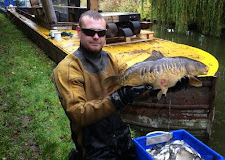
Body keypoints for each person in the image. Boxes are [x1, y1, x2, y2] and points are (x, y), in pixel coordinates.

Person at [51, 10, 151, 159]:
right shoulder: (68, 68)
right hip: (92, 143)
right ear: (79, 32)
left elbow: (136, 87)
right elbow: (78, 114)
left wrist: (155, 89)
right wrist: (118, 99)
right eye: (90, 32)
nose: (96, 37)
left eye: (101, 33)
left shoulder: (113, 60)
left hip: (121, 134)